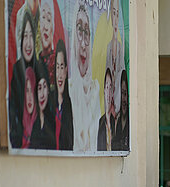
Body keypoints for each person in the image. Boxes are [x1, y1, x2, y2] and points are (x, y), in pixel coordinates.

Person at [69, 0, 100, 152]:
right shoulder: (67, 91)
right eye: (79, 31)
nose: (83, 44)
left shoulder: (95, 91)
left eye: (86, 32)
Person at [9, 12, 36, 148]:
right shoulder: (17, 70)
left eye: (31, 36)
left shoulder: (40, 69)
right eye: (25, 36)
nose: (28, 43)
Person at [30, 61, 55, 149]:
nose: (42, 94)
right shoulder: (32, 123)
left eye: (44, 87)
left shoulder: (53, 121)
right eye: (39, 88)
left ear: (48, 90)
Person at [54, 39, 74, 150]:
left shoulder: (70, 105)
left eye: (62, 67)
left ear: (66, 71)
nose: (59, 74)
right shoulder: (50, 104)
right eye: (57, 67)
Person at [106, 0, 125, 111]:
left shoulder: (121, 48)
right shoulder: (107, 47)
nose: (116, 18)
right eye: (113, 13)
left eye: (118, 14)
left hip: (117, 106)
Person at [38, 0, 56, 88]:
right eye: (43, 18)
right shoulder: (35, 62)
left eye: (48, 20)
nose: (45, 26)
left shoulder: (57, 62)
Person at [112, 70, 129, 151]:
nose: (124, 99)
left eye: (125, 94)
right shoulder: (116, 120)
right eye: (122, 93)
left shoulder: (131, 122)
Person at [98, 68, 115, 151]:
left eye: (110, 87)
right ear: (104, 90)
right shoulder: (100, 123)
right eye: (107, 87)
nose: (108, 92)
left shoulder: (116, 121)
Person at [21, 67, 38, 149]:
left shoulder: (41, 125)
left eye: (32, 90)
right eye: (27, 91)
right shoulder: (19, 127)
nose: (30, 97)